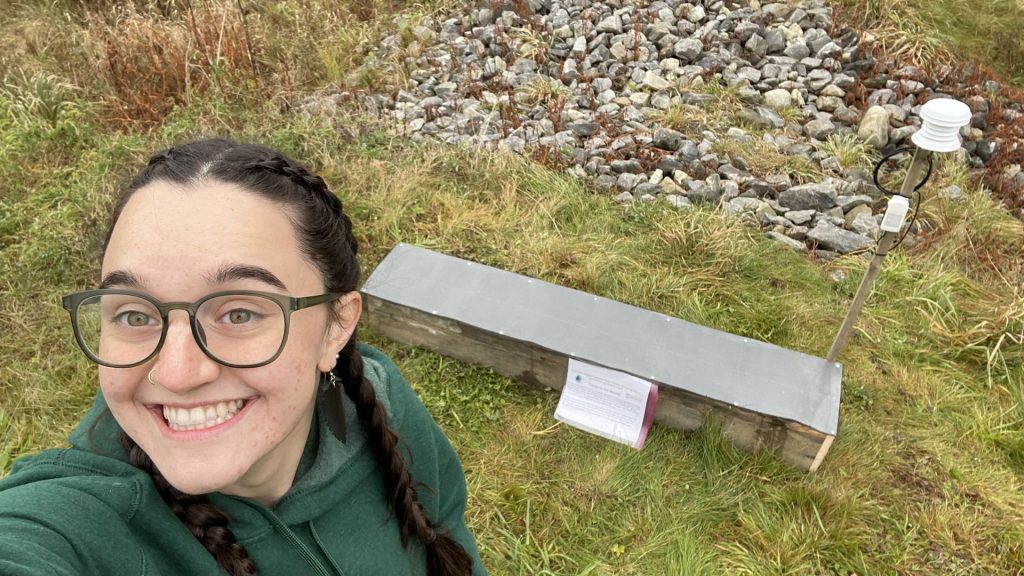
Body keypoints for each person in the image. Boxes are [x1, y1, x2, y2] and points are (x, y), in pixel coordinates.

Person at [0, 139, 487, 575]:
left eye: (238, 313)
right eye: (134, 315)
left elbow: (447, 533)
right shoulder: (78, 519)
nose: (177, 373)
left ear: (336, 325)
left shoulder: (380, 401)